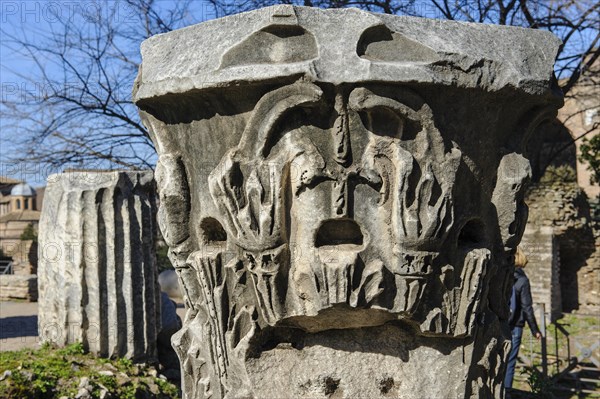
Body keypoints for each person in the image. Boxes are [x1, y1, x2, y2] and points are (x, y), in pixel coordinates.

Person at [504, 247, 542, 395]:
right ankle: (506, 393)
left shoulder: (504, 275)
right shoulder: (522, 280)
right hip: (515, 326)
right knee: (510, 362)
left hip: (501, 322)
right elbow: (527, 308)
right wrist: (535, 330)